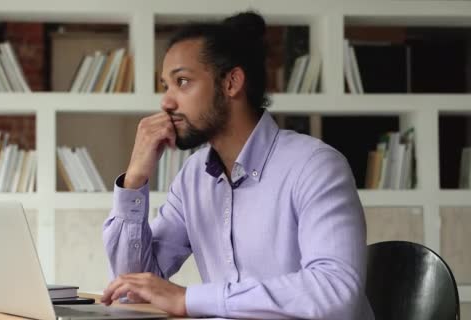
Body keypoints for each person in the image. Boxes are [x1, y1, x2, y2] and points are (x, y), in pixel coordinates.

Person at [100, 11, 374, 319]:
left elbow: (335, 291)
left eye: (182, 82)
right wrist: (135, 179)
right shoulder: (193, 178)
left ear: (231, 83)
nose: (166, 102)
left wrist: (190, 300)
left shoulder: (316, 166)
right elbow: (131, 286)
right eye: (166, 85)